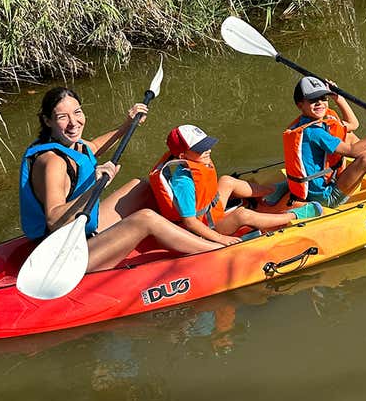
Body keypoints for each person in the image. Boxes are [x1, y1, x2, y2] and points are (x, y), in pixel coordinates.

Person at [19, 87, 220, 270]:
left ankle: (190, 225)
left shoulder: (70, 144)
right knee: (145, 219)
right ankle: (216, 250)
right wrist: (96, 183)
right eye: (62, 117)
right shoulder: (52, 162)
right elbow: (54, 220)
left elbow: (94, 148)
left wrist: (128, 124)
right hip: (62, 255)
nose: (73, 122)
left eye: (77, 112)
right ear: (48, 121)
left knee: (140, 186)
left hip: (82, 232)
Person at [148, 124, 305, 247]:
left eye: (206, 144)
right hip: (208, 229)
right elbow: (190, 222)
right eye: (200, 149)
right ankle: (295, 215)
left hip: (210, 211)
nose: (207, 150)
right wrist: (220, 238)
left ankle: (270, 192)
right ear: (183, 156)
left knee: (226, 181)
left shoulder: (198, 161)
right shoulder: (184, 183)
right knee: (242, 215)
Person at [280, 76, 366, 207]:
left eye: (323, 98)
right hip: (327, 197)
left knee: (348, 135)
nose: (320, 103)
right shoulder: (315, 132)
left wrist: (339, 98)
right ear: (300, 105)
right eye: (312, 100)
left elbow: (353, 124)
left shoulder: (305, 123)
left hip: (313, 189)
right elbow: (353, 152)